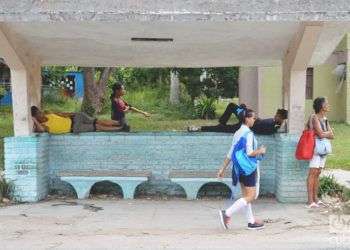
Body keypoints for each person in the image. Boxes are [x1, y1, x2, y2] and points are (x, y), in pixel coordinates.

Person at [217, 108, 266, 230]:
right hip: (248, 168)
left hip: (239, 168)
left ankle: (251, 222)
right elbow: (249, 153)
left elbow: (230, 153)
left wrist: (222, 168)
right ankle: (227, 213)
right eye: (253, 118)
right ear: (247, 119)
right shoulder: (248, 134)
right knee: (251, 196)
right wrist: (260, 151)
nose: (254, 120)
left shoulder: (237, 132)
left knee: (246, 195)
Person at [188, 102, 288, 135]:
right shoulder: (275, 124)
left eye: (277, 115)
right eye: (276, 114)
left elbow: (256, 126)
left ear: (282, 118)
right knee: (236, 106)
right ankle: (221, 123)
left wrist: (248, 115)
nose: (275, 116)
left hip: (245, 124)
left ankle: (199, 128)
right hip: (247, 119)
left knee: (221, 128)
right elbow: (259, 123)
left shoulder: (273, 126)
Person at [306, 97, 334, 208]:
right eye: (326, 103)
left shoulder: (325, 118)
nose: (328, 105)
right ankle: (310, 201)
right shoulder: (314, 117)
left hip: (323, 149)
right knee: (312, 173)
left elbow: (332, 135)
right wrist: (326, 133)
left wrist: (325, 133)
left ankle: (316, 199)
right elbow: (322, 134)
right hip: (315, 149)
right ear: (322, 106)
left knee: (318, 173)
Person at [31, 106, 123, 134]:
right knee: (97, 126)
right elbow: (42, 130)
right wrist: (34, 120)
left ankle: (119, 122)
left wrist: (74, 113)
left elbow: (62, 114)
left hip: (75, 118)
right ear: (36, 117)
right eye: (38, 114)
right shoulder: (43, 126)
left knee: (97, 120)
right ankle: (118, 129)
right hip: (75, 128)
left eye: (40, 111)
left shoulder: (48, 114)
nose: (41, 113)